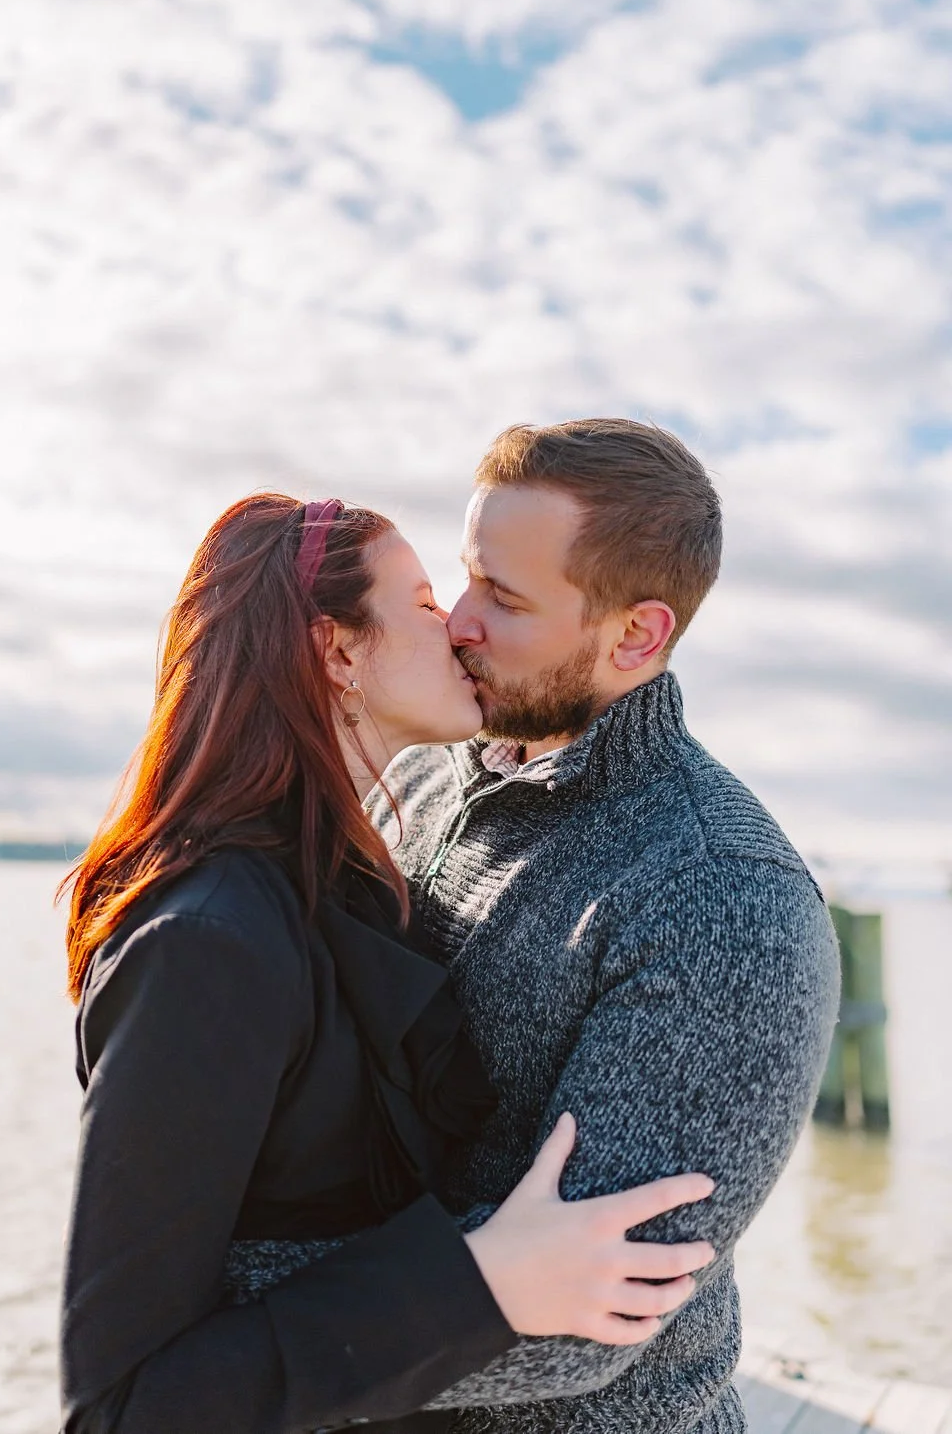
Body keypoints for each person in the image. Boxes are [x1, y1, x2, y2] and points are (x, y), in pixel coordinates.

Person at [58, 492, 718, 1434]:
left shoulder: (352, 881)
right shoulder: (206, 944)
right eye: (423, 601)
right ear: (337, 652)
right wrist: (481, 1284)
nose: (457, 626)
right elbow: (121, 1405)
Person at [350, 419, 841, 1434]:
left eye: (505, 597)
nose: (458, 622)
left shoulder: (722, 898)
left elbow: (587, 1325)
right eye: (467, 576)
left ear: (635, 637)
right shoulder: (421, 772)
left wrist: (212, 1311)